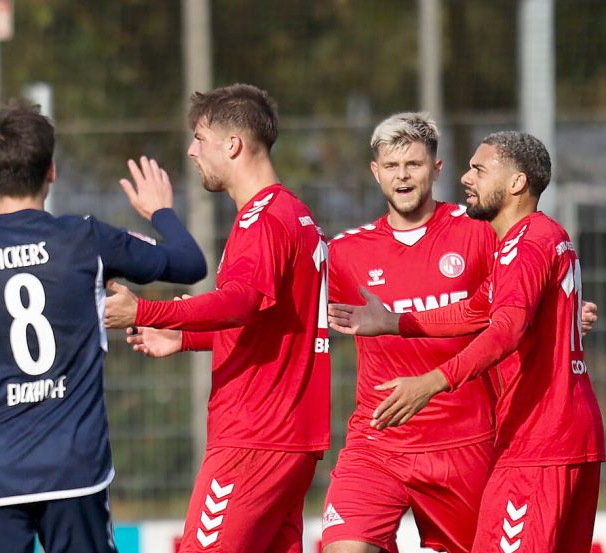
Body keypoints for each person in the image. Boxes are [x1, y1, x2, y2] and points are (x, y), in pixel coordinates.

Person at [0, 101, 206, 553]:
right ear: (52, 170)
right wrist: (160, 211)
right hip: (75, 469)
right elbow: (190, 263)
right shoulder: (87, 239)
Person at [329, 131, 605, 552]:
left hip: (537, 441)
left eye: (479, 169)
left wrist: (432, 382)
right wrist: (395, 322)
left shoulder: (522, 244)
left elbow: (505, 330)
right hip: (565, 436)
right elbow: (474, 310)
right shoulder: (539, 237)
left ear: (515, 183)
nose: (465, 178)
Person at [105, 84, 329, 553]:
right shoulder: (297, 215)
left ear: (233, 145)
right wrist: (182, 338)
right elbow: (276, 326)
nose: (191, 150)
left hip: (254, 438)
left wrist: (146, 309)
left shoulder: (262, 221)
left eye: (200, 139)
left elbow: (241, 301)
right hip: (292, 441)